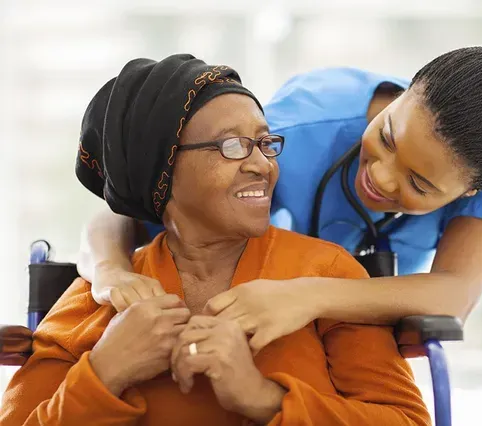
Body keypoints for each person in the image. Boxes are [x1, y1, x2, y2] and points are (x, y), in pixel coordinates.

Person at [0, 55, 428, 426]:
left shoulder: (327, 274)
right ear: (161, 172)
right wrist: (105, 372)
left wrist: (260, 398)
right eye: (232, 146)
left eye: (264, 143)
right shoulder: (101, 296)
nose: (263, 164)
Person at [78, 43, 482, 353]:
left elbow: (454, 296)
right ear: (407, 91)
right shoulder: (297, 130)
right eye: (386, 137)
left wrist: (307, 295)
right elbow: (118, 212)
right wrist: (111, 272)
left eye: (419, 185)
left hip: (331, 345)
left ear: (472, 191)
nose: (383, 179)